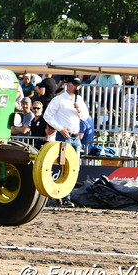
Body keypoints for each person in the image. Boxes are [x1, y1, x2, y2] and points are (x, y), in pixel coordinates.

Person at [43, 75, 90, 207]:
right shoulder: (58, 99)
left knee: (74, 168)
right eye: (74, 85)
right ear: (67, 85)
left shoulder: (79, 99)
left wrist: (79, 110)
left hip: (75, 137)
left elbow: (85, 117)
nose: (76, 87)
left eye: (78, 85)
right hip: (65, 136)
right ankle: (63, 197)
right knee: (65, 167)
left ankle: (64, 197)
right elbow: (47, 115)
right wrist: (59, 128)